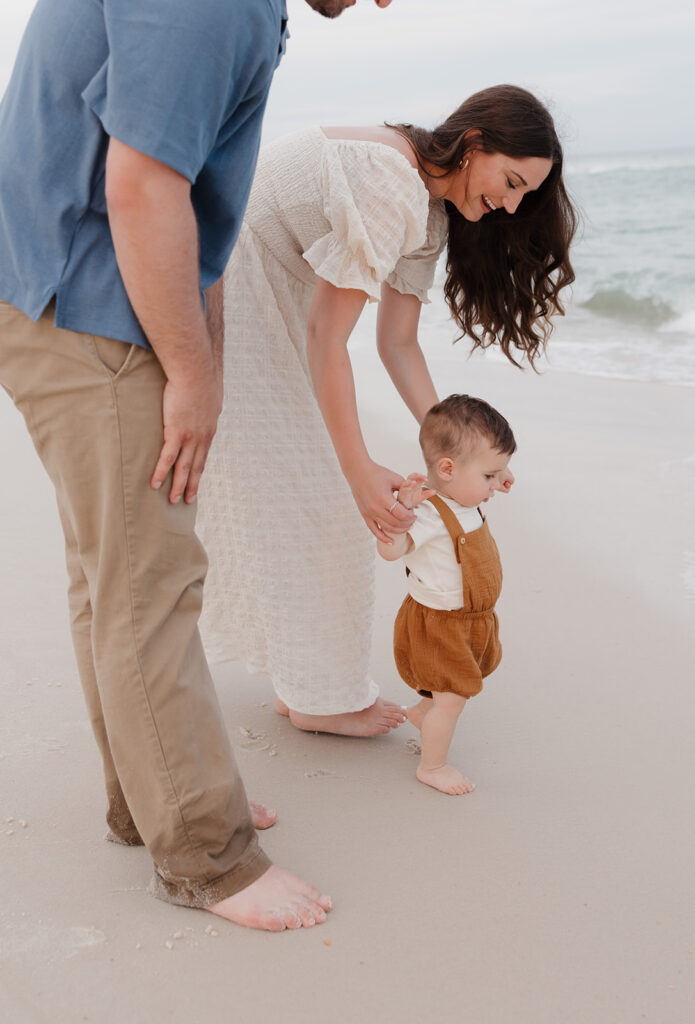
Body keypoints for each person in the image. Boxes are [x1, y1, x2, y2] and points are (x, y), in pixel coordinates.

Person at [0, 0, 395, 934]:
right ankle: (204, 856)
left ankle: (155, 795)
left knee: (116, 581)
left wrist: (201, 362)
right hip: (94, 308)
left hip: (72, 298)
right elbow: (139, 185)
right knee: (147, 587)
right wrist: (189, 371)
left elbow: (183, 192)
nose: (387, 1)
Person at [197, 84, 576, 737]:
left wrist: (466, 455)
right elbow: (327, 336)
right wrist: (357, 469)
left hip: (274, 300)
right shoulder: (389, 182)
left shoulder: (428, 216)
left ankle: (306, 687)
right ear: (474, 144)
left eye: (524, 196)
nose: (510, 204)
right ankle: (321, 698)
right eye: (511, 181)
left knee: (315, 501)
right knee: (331, 503)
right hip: (236, 289)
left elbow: (396, 345)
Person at [376, 395, 515, 795]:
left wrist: (498, 471)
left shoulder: (464, 496)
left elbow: (487, 476)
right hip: (440, 623)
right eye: (489, 476)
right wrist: (400, 517)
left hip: (472, 618)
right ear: (448, 469)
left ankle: (422, 712)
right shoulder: (429, 514)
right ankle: (432, 766)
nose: (496, 484)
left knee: (455, 685)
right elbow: (390, 552)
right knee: (452, 699)